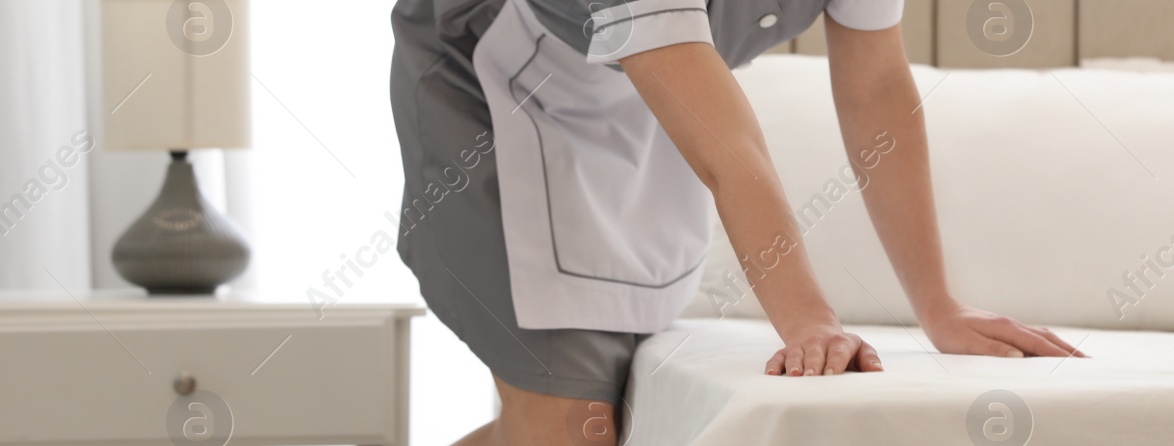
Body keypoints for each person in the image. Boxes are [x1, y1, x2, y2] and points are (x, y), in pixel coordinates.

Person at [388, 0, 1086, 444]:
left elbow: (874, 83)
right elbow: (734, 148)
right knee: (574, 426)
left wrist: (939, 305)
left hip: (643, 97)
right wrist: (809, 319)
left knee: (588, 418)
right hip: (491, 95)